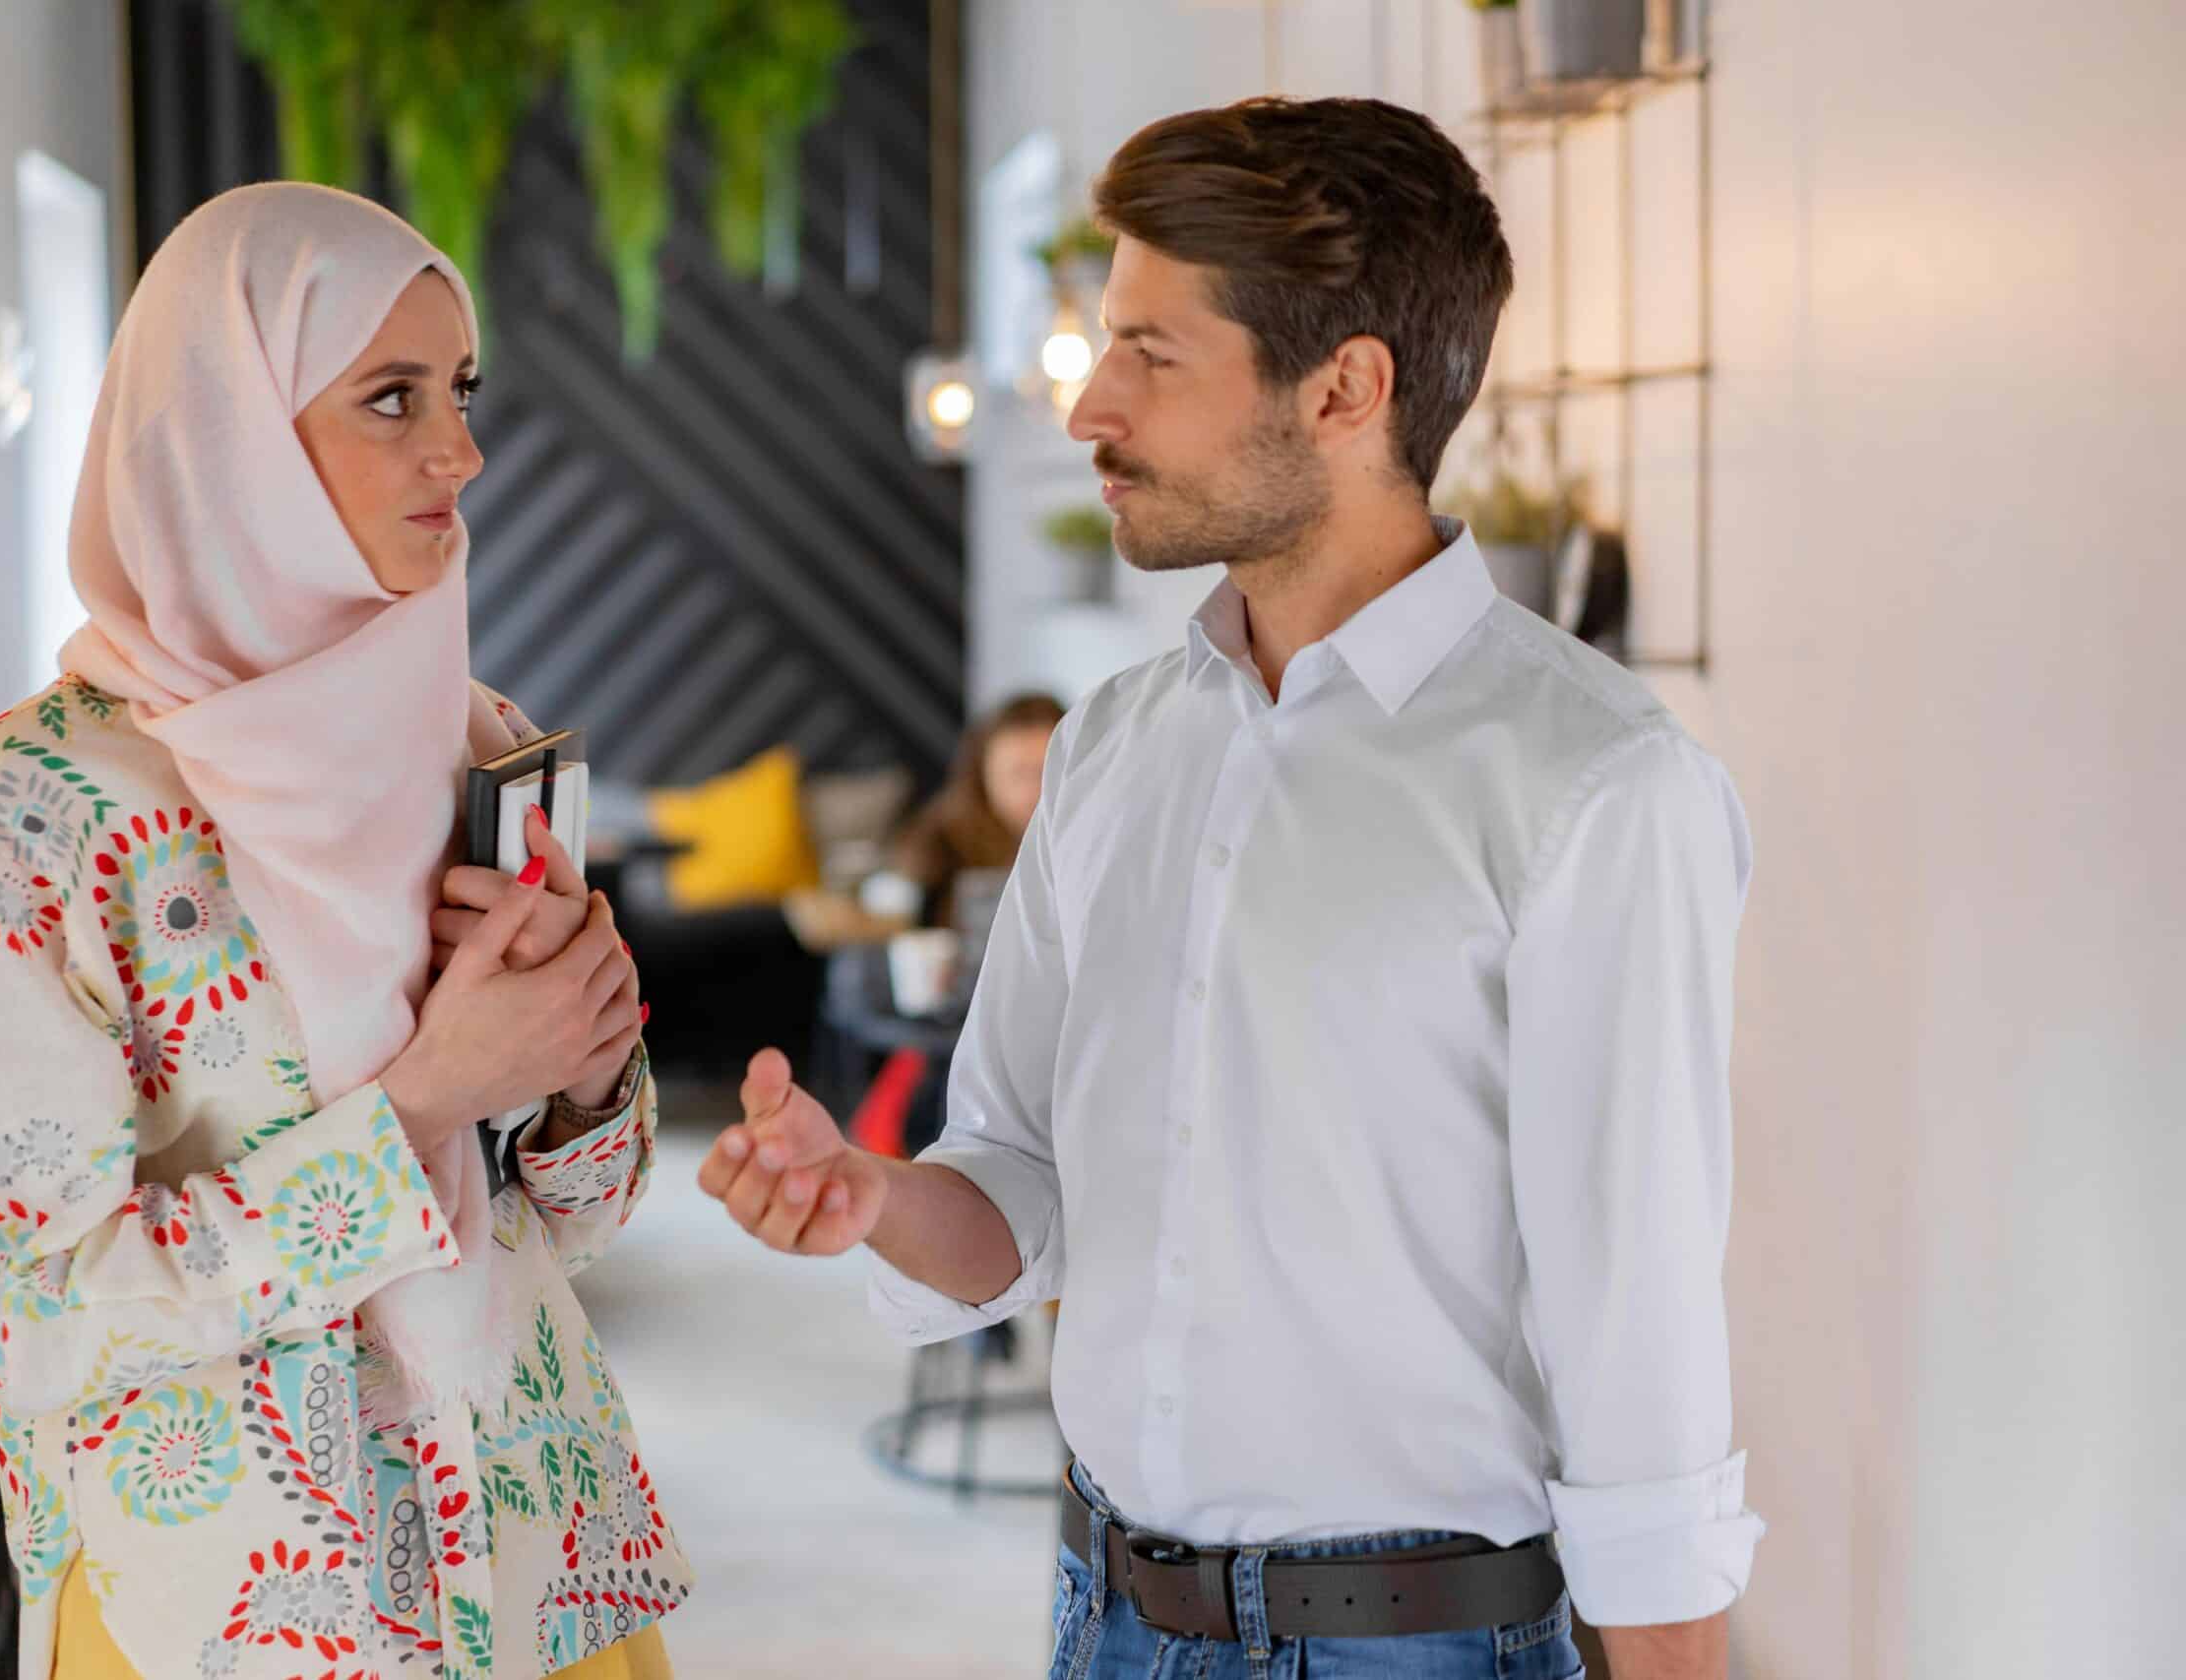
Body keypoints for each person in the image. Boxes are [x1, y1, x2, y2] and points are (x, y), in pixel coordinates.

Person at [700, 96, 1761, 1680]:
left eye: (1153, 352)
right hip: (1106, 1616)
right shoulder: (1113, 747)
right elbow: (1019, 1180)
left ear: (1346, 386)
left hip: (1420, 1649)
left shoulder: (1592, 784)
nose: (1090, 408)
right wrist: (879, 1196)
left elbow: (1643, 1351)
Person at [0, 183, 687, 1680]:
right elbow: (50, 1311)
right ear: (226, 430)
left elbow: (571, 1213)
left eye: (459, 389)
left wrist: (585, 1063)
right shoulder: (37, 812)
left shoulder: (479, 737)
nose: (458, 448)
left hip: (529, 1543)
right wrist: (423, 1099)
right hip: (235, 1599)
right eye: (389, 398)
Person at [874, 692, 1066, 929]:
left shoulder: (1095, 841)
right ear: (983, 775)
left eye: (1044, 773)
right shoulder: (939, 842)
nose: (1033, 792)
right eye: (1017, 774)